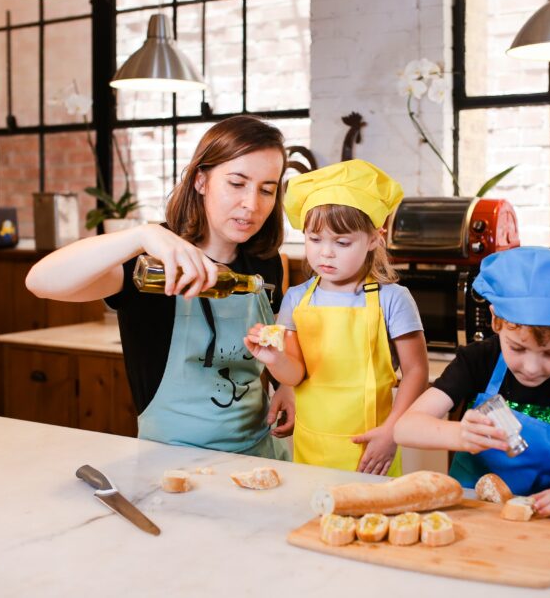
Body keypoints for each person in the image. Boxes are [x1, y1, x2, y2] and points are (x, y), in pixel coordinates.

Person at [26, 115, 293, 460]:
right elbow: (40, 282)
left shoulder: (265, 261)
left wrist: (285, 385)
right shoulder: (149, 265)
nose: (252, 204)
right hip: (170, 462)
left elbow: (276, 340)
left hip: (260, 451)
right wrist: (141, 235)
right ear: (201, 180)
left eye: (267, 190)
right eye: (237, 183)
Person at [394, 247, 550, 519]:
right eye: (518, 349)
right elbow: (405, 429)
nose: (532, 368)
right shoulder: (479, 360)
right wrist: (459, 434)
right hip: (469, 516)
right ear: (495, 321)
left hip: (549, 523)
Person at [245, 160, 429, 476]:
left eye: (342, 242)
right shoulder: (296, 298)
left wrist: (392, 431)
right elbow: (295, 375)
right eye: (315, 239)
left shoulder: (392, 299)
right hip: (312, 447)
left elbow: (417, 371)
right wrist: (273, 359)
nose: (326, 253)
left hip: (373, 449)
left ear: (374, 238)